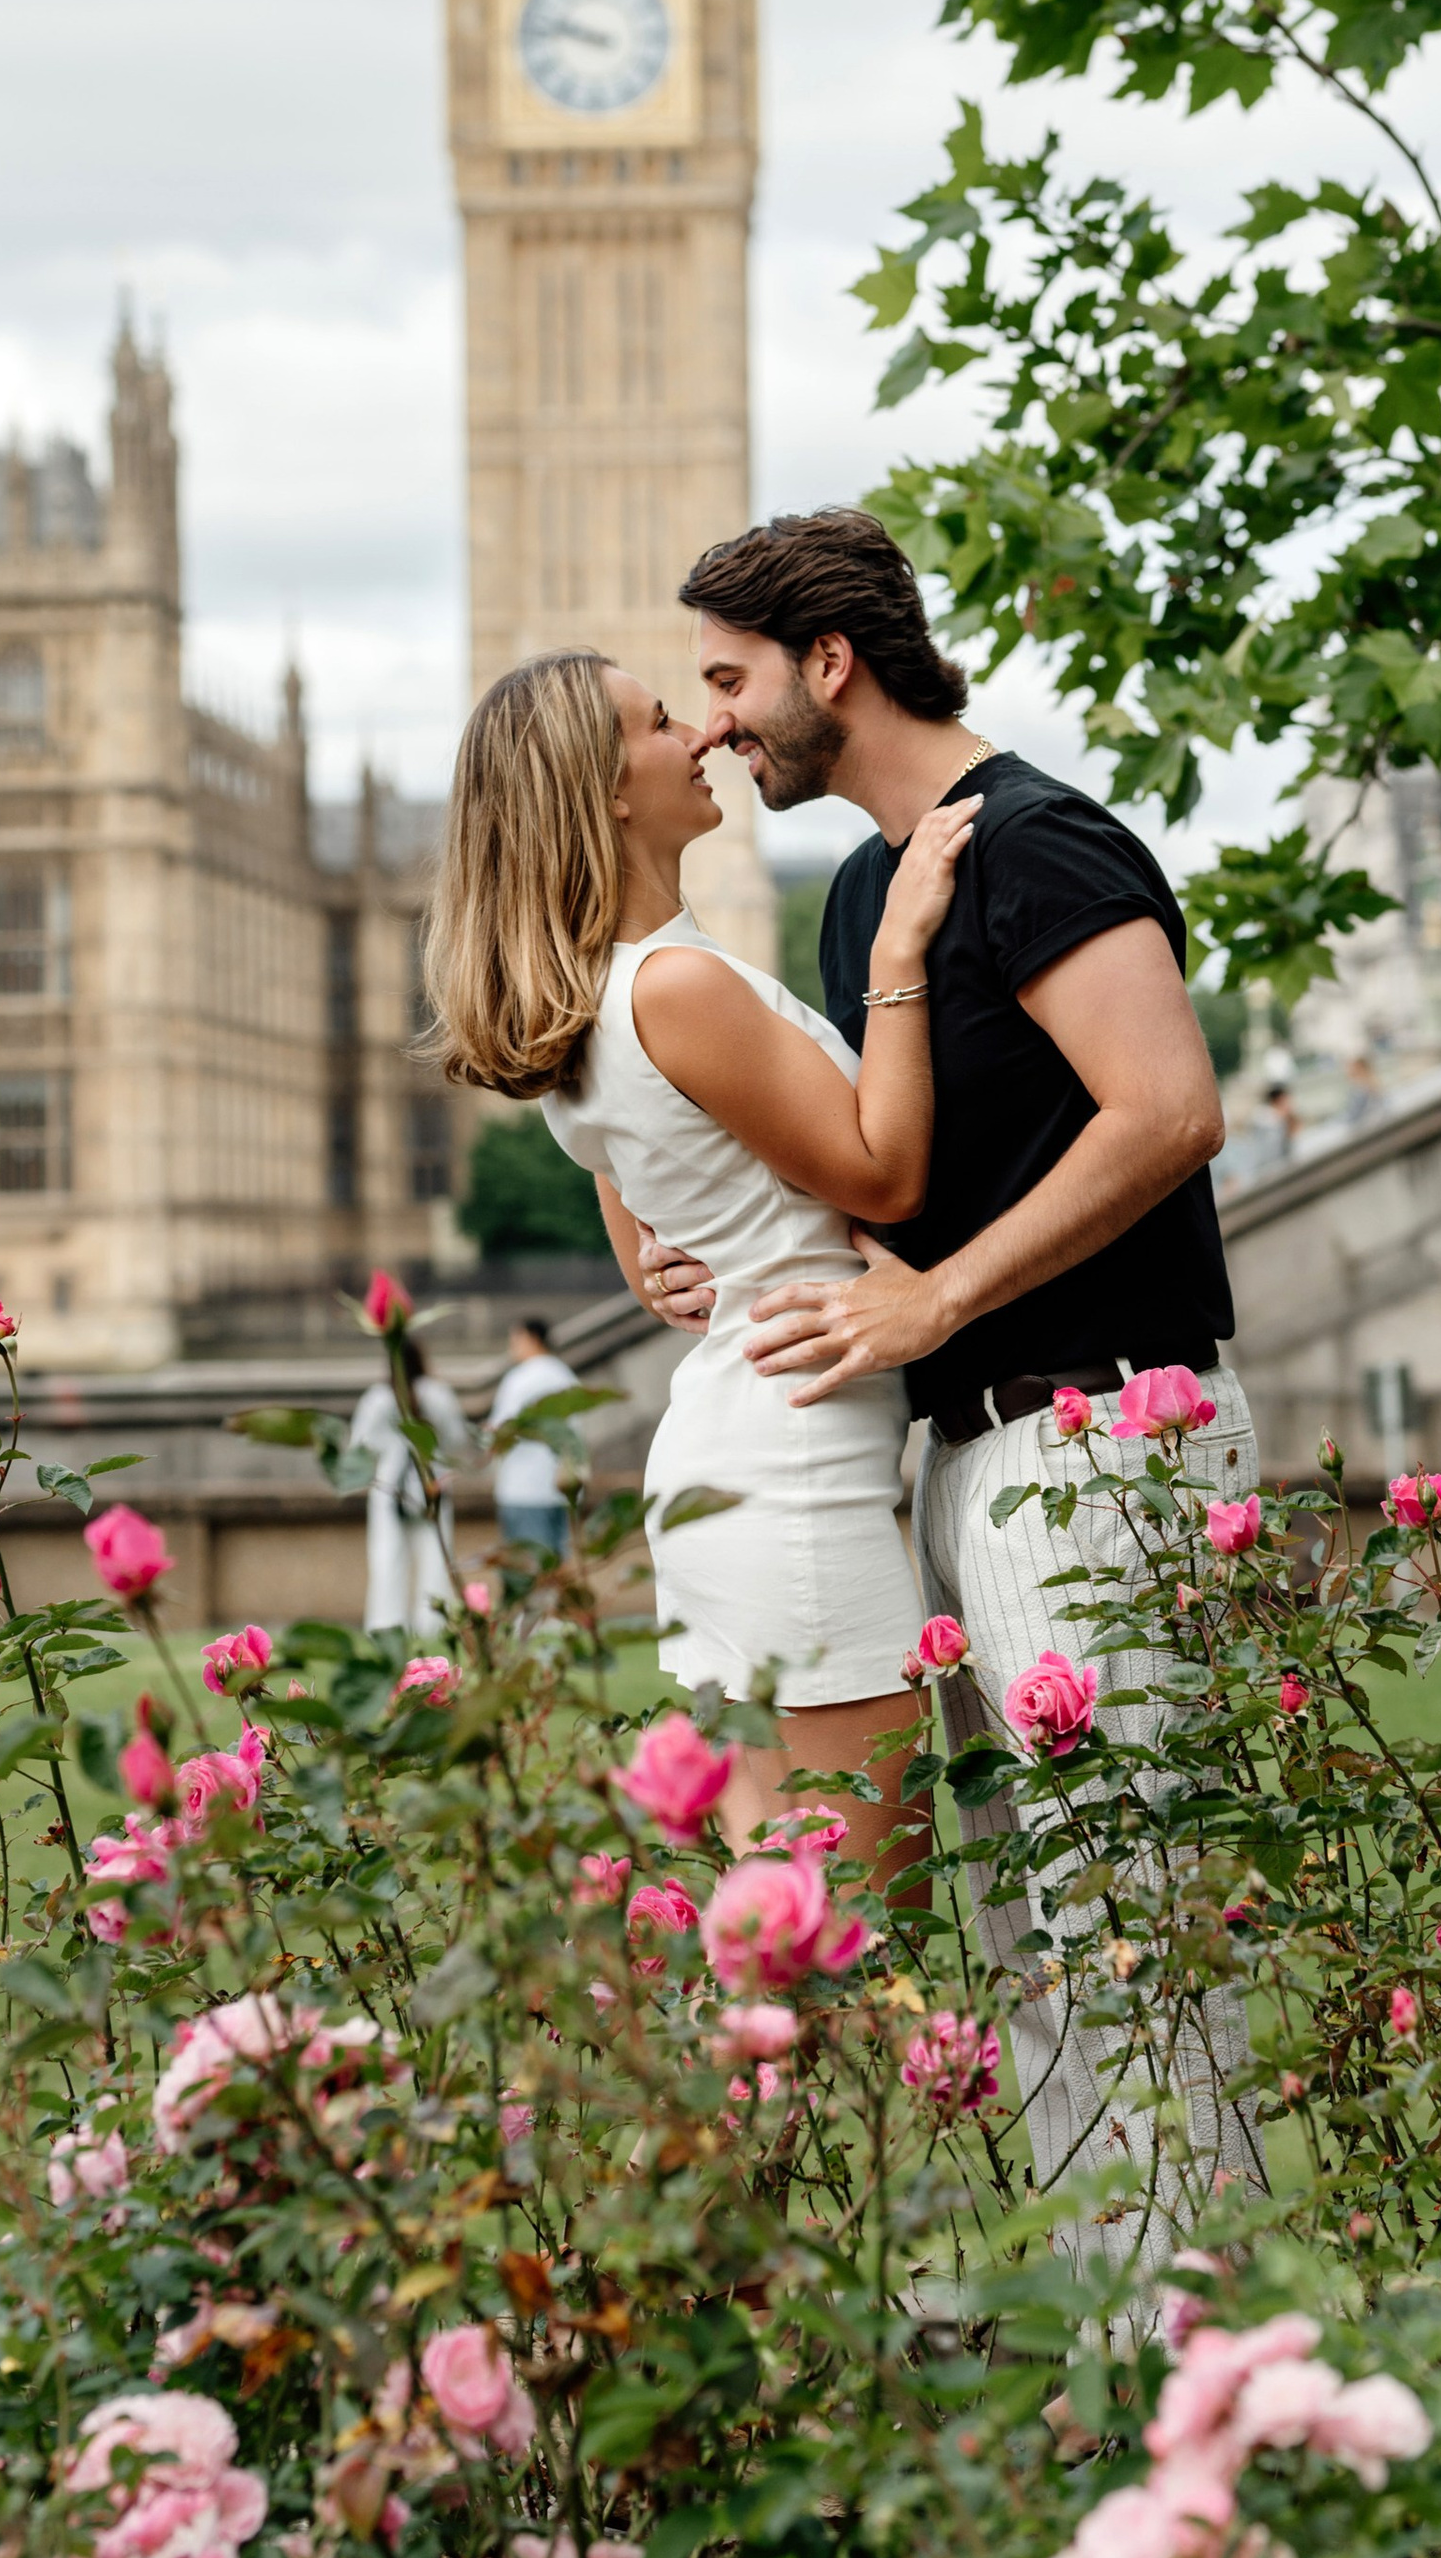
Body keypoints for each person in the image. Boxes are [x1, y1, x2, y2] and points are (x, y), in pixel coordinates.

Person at [652, 507, 1259, 2208]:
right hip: (970, 1458)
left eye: (725, 676)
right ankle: (1115, 2362)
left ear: (827, 663)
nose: (708, 721)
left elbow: (1172, 1109)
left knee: (1133, 1930)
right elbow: (901, 1174)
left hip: (1102, 1436)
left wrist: (936, 1300)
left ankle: (1209, 2384)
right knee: (1038, 1941)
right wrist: (757, 1251)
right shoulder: (864, 894)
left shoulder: (1042, 842)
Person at [423, 646, 979, 1870]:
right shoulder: (675, 985)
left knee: (788, 1924)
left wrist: (677, 1258)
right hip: (791, 1481)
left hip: (742, 1460)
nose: (705, 735)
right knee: (857, 1920)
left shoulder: (603, 998)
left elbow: (646, 1233)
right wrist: (896, 963)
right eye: (662, 720)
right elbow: (881, 1173)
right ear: (605, 787)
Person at [349, 1331, 472, 1638]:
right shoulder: (438, 1394)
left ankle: (386, 1624)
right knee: (435, 1558)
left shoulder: (378, 1399)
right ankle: (433, 1624)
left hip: (389, 1486)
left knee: (387, 1560)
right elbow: (457, 1439)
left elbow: (359, 1446)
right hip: (432, 1483)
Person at [488, 1315, 576, 1557]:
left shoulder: (520, 1378)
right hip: (559, 1487)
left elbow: (501, 1430)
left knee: (529, 1566)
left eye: (516, 1339)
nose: (511, 1346)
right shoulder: (564, 1375)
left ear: (533, 1339)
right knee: (556, 1567)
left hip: (523, 1487)